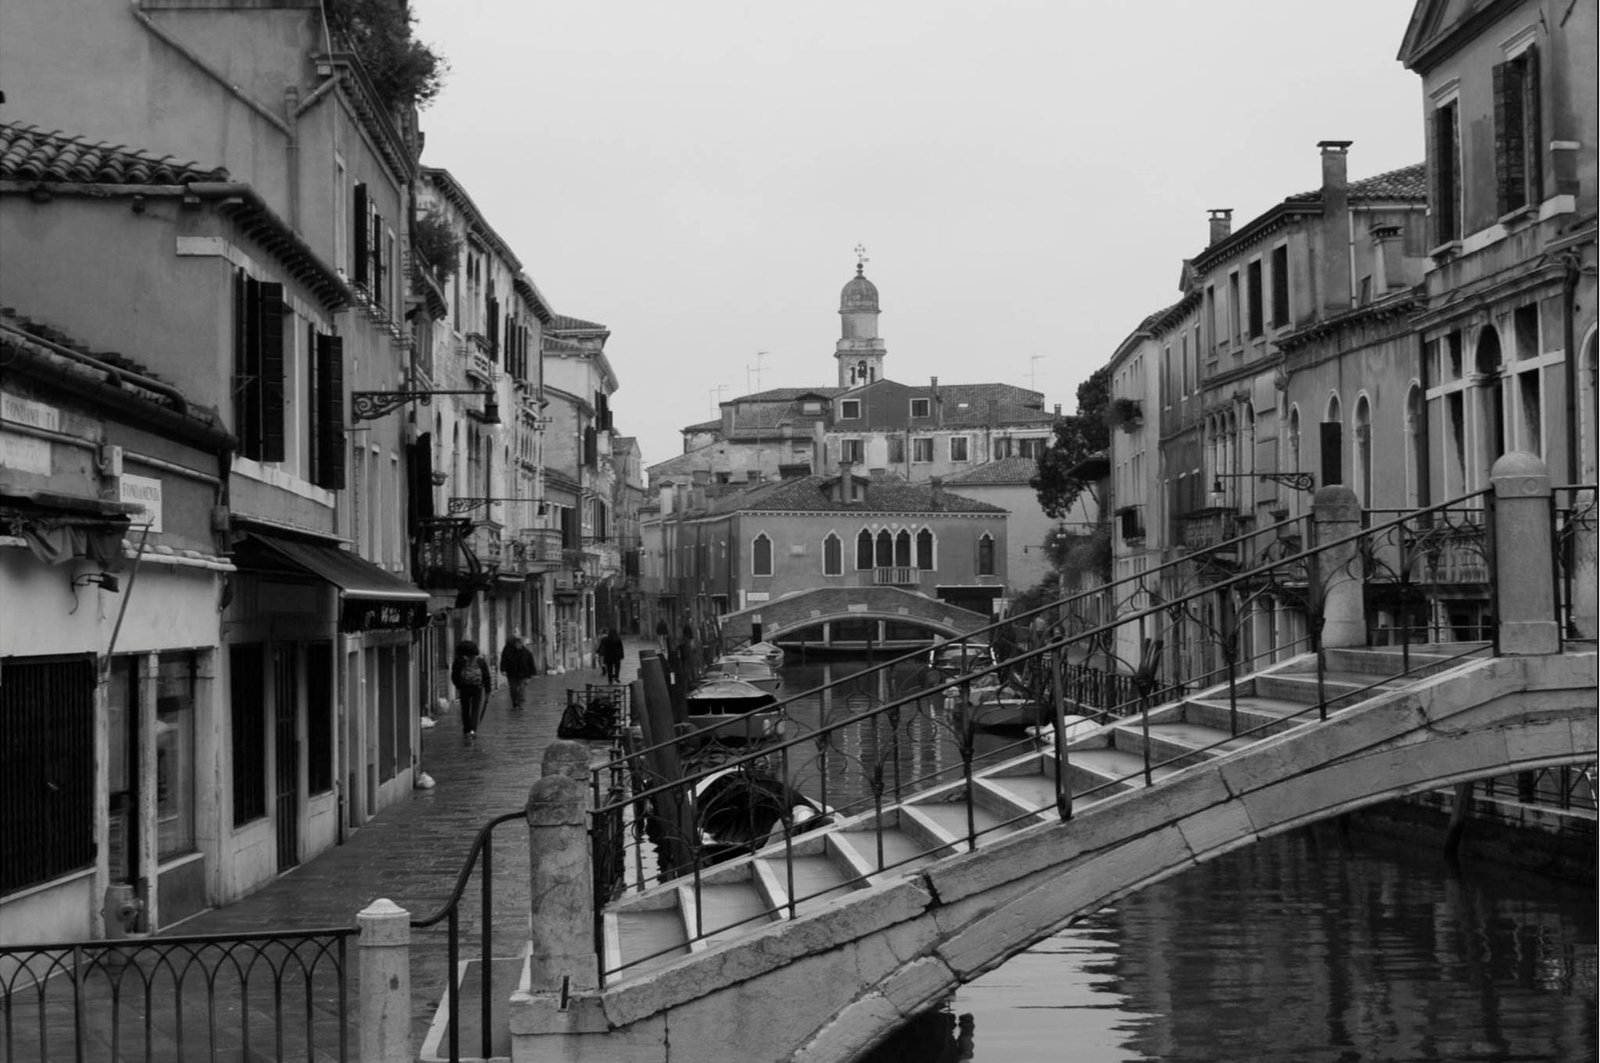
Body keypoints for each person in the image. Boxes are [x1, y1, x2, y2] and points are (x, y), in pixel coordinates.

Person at [451, 639, 492, 742]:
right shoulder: (480, 661)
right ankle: (473, 730)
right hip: (477, 687)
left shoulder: (459, 661)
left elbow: (454, 676)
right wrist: (488, 691)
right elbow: (486, 676)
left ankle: (466, 730)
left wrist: (459, 686)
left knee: (465, 708)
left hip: (464, 687)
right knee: (475, 708)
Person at [499, 632, 537, 711]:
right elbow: (504, 660)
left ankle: (520, 704)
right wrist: (503, 669)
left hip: (523, 674)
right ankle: (514, 703)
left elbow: (530, 662)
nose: (519, 645)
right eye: (518, 644)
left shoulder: (526, 652)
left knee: (522, 690)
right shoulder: (507, 650)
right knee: (513, 689)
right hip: (512, 673)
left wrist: (532, 673)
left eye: (520, 644)